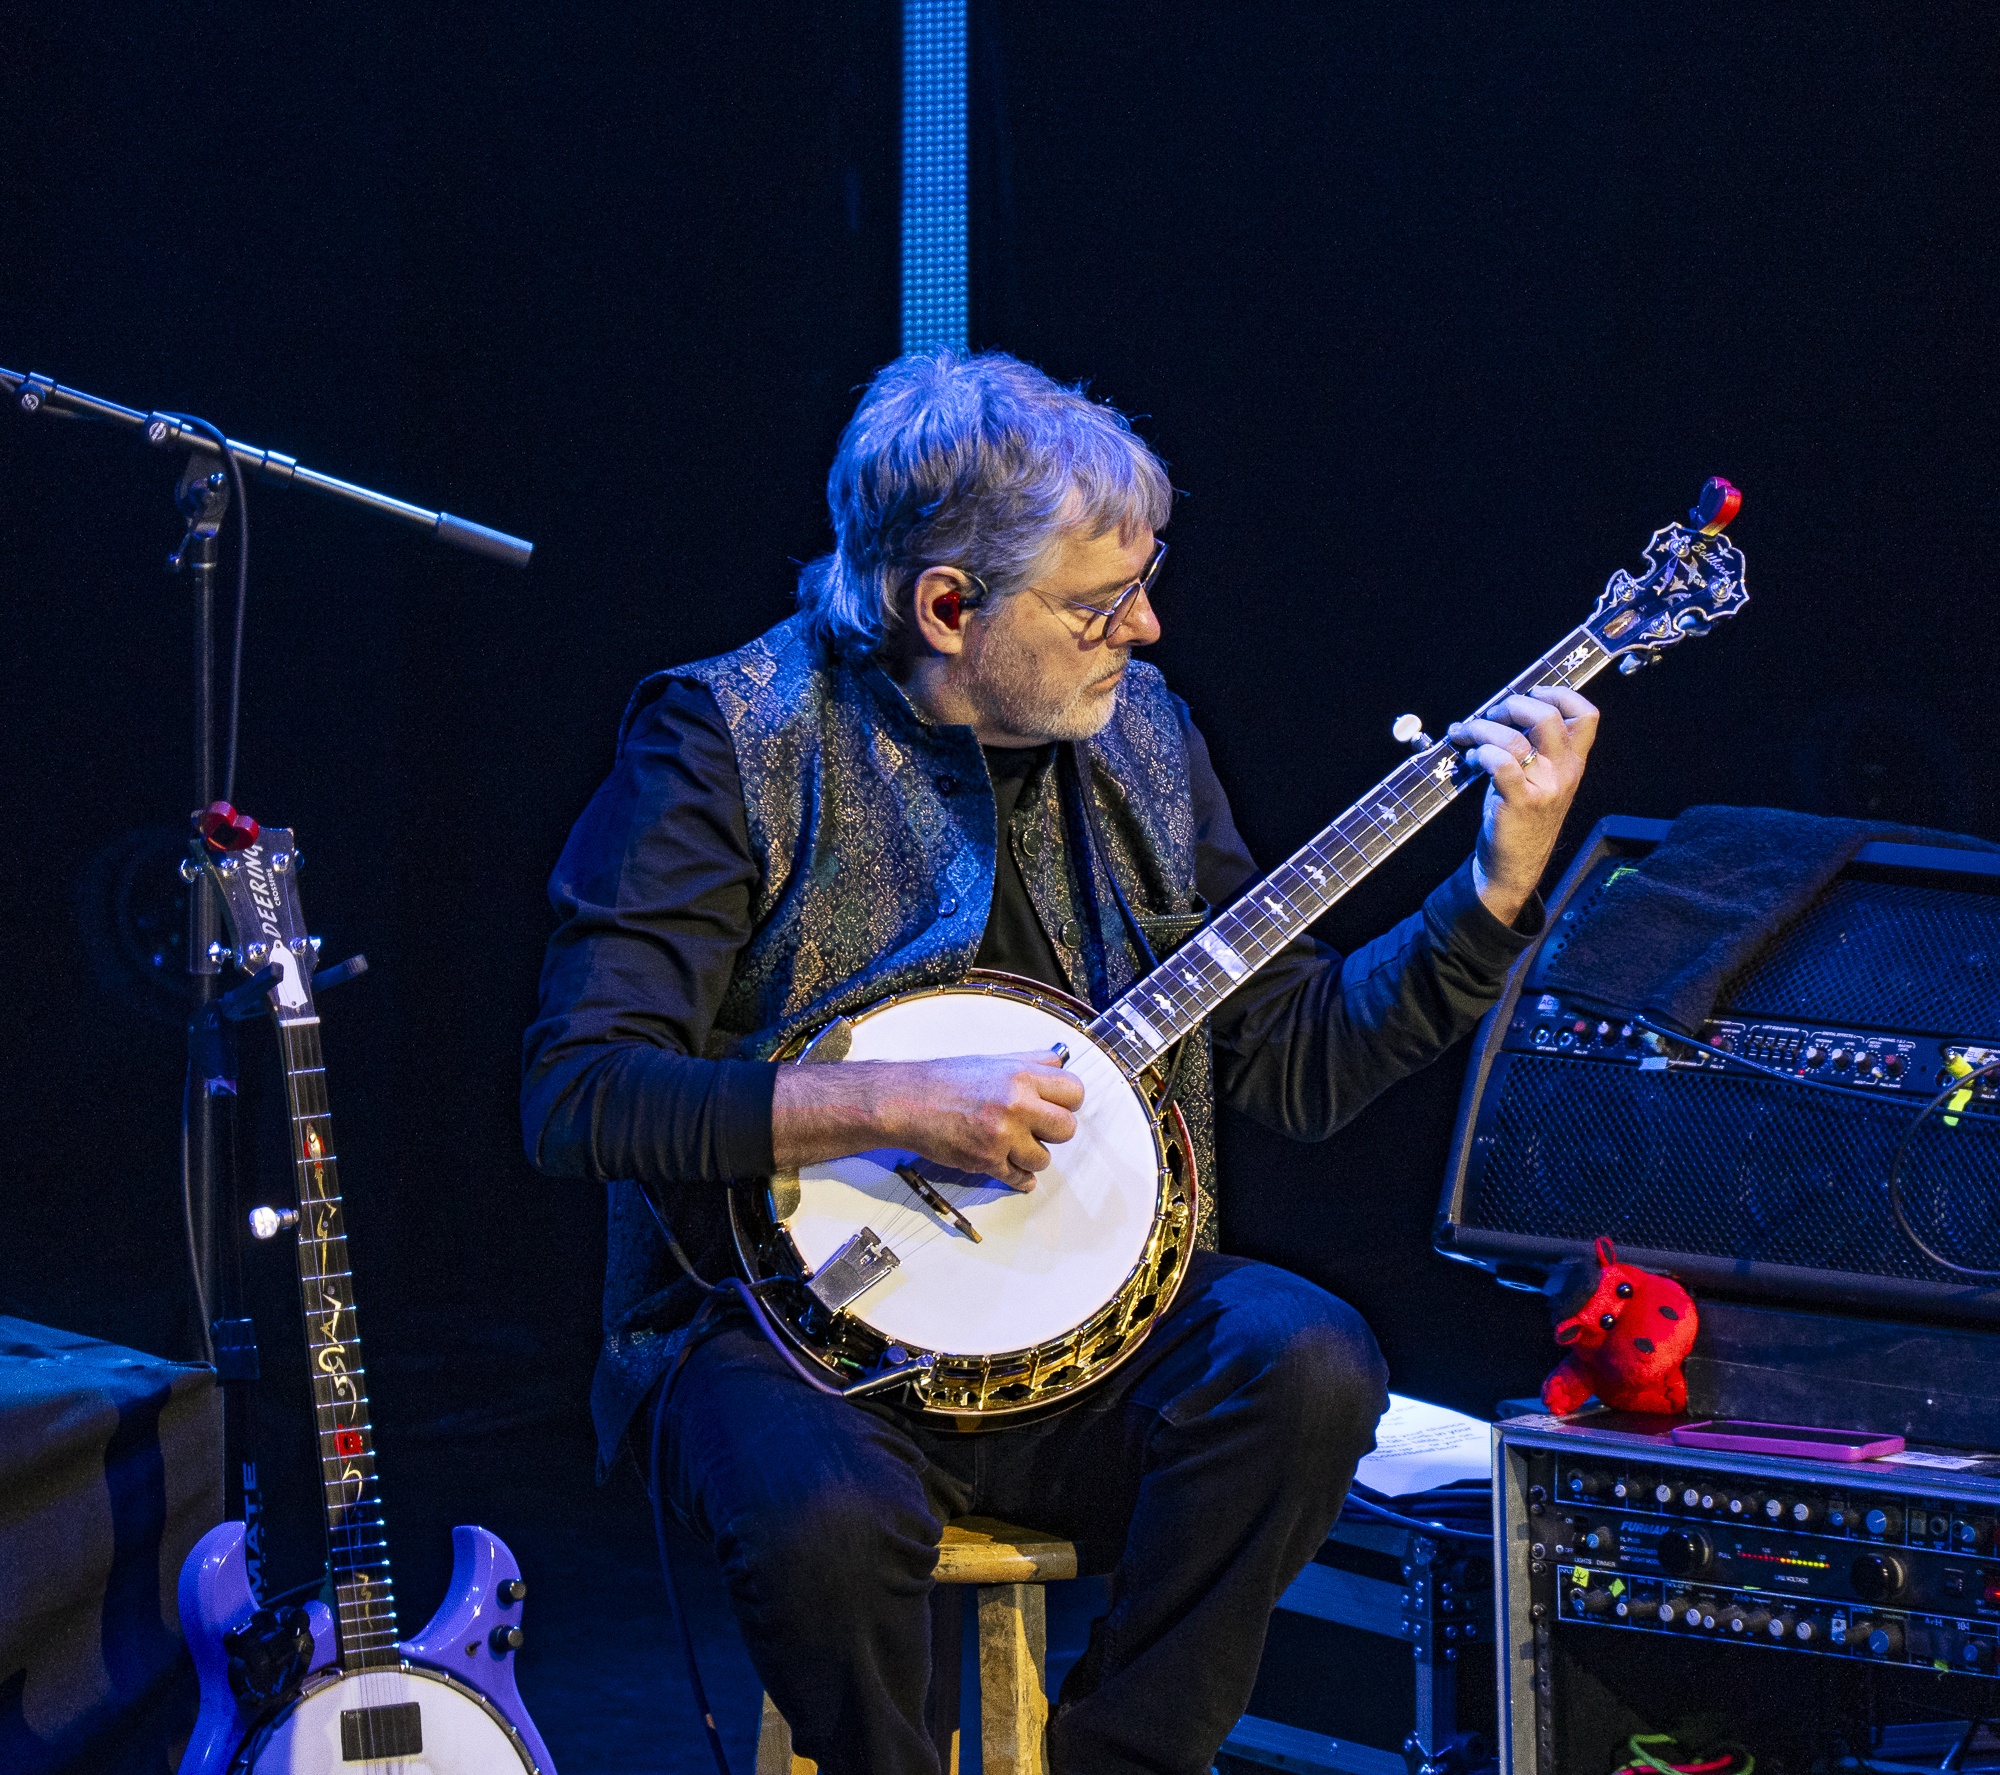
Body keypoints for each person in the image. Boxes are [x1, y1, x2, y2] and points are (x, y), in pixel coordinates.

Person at [522, 350, 1596, 1775]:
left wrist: (1491, 897)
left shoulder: (1140, 736)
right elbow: (579, 1095)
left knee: (1306, 1359)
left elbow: (1295, 1065)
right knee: (827, 1528)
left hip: (1088, 1336)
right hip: (781, 1335)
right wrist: (885, 1103)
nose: (1145, 630)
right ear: (947, 605)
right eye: (1098, 605)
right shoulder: (728, 740)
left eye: (1144, 583)